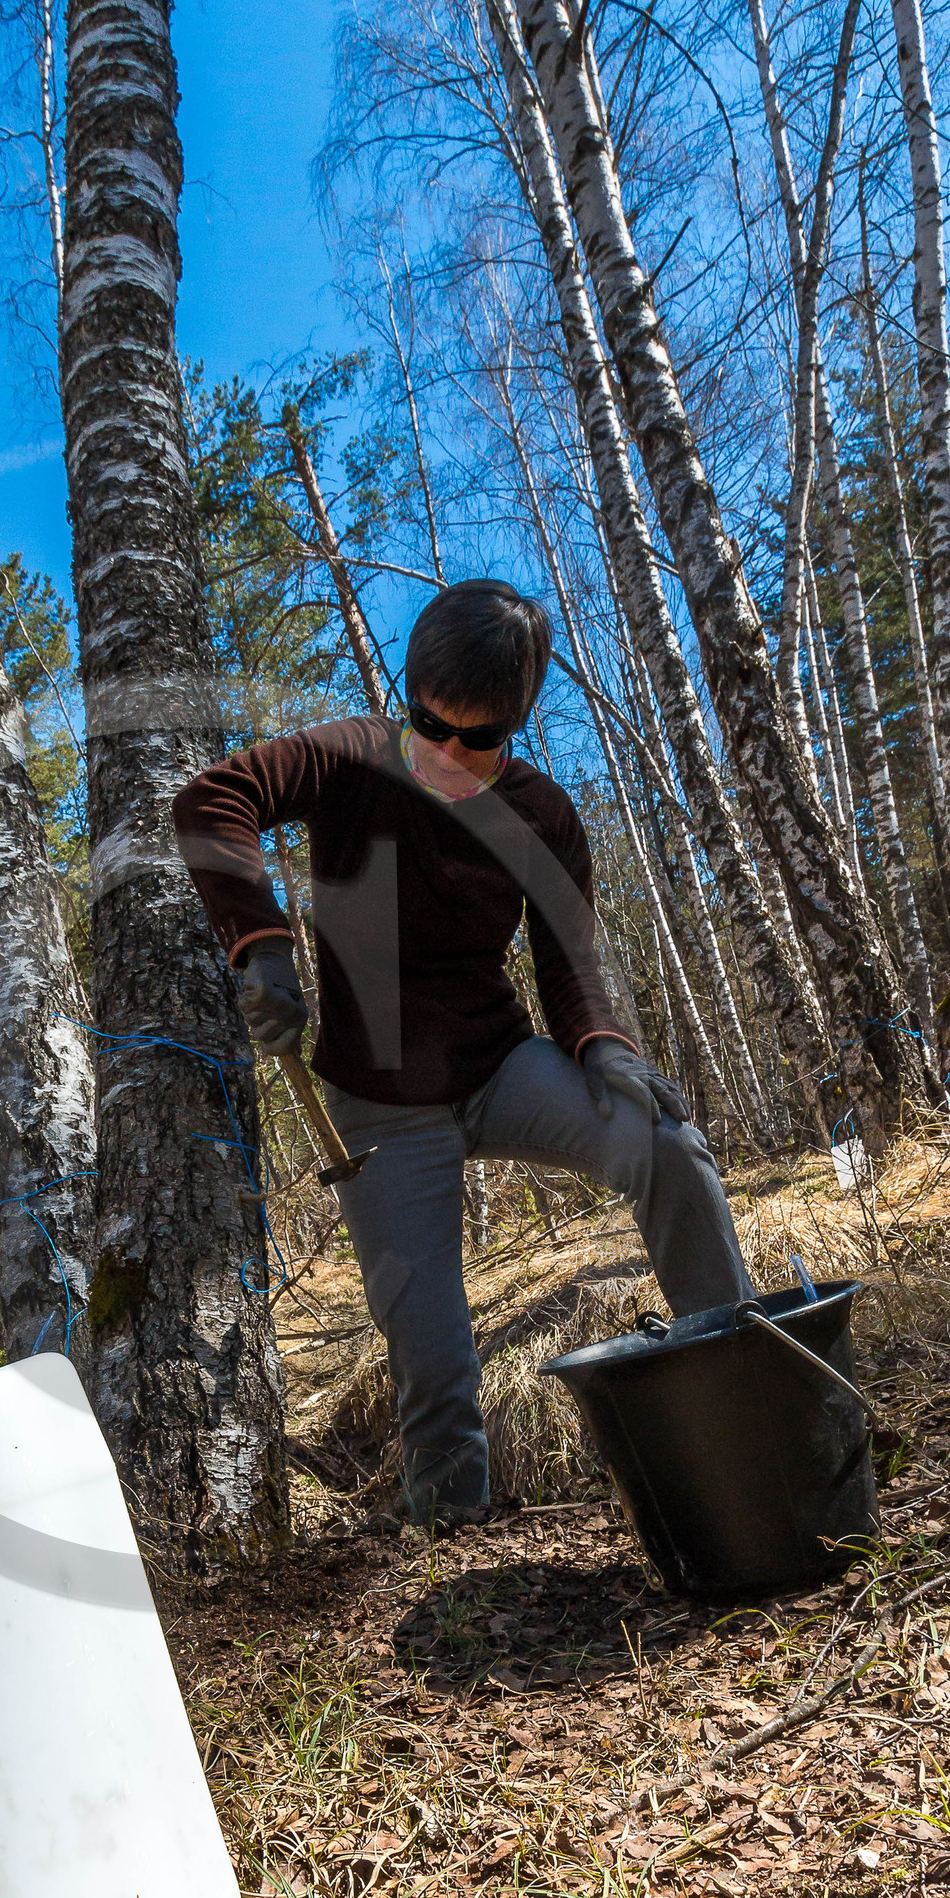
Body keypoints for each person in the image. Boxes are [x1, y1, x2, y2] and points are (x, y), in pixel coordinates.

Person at [173, 577, 755, 1523]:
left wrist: (605, 1049)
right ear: (407, 696)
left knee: (665, 1143)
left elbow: (572, 963)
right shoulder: (353, 756)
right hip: (380, 1107)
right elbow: (212, 801)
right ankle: (453, 1533)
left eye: (476, 739)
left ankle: (744, 1381)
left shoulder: (543, 816)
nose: (446, 753)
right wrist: (263, 943)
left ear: (517, 723)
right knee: (433, 1359)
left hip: (500, 1068)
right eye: (429, 725)